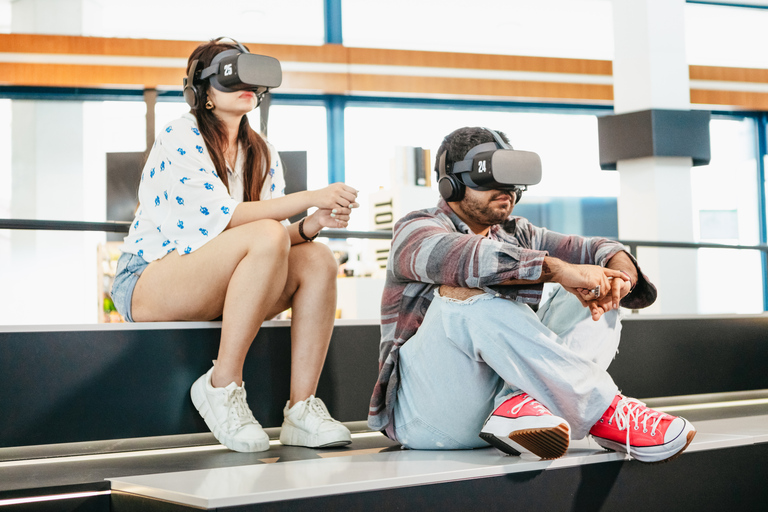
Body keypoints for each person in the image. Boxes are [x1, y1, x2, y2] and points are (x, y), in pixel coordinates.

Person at [368, 126, 696, 463]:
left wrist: (618, 275)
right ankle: (605, 411)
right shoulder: (415, 228)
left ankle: (518, 405)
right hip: (426, 419)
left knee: (594, 289)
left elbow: (596, 248)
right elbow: (464, 257)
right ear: (451, 183)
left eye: (512, 180)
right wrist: (558, 270)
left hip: (506, 415)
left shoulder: (517, 232)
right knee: (466, 288)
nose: (506, 189)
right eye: (491, 178)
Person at [111, 38, 359, 453]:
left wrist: (311, 226)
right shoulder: (179, 135)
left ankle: (302, 408)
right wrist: (310, 196)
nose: (246, 84)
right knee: (265, 232)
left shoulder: (262, 151)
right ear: (201, 90)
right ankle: (221, 384)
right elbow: (222, 219)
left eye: (252, 76)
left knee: (317, 259)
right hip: (147, 279)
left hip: (218, 280)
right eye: (230, 76)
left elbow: (274, 239)